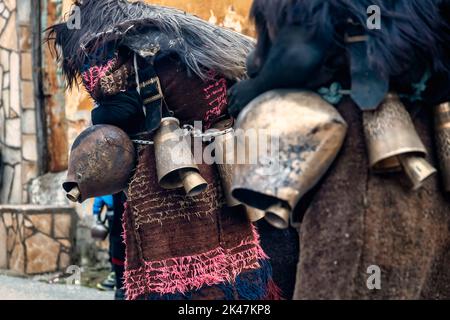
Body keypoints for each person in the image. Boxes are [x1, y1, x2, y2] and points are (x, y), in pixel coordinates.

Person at [47, 0, 282, 300]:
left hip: (165, 180)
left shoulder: (120, 60)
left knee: (182, 284)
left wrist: (101, 116)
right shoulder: (188, 49)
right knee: (232, 276)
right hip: (216, 165)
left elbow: (113, 113)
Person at [92, 193, 127, 300]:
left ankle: (118, 281)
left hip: (116, 213)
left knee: (117, 242)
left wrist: (96, 214)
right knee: (117, 243)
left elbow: (99, 197)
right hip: (116, 213)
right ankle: (116, 280)